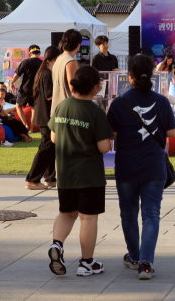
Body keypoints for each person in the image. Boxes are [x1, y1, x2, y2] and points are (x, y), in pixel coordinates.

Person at [107, 55, 175, 280]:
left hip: (127, 166)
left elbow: (112, 136)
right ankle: (146, 264)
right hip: (154, 166)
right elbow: (171, 133)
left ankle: (135, 256)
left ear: (129, 77)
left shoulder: (118, 102)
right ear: (153, 75)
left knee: (128, 214)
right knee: (151, 214)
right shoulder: (162, 101)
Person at [47, 65, 114, 277]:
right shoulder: (96, 112)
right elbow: (104, 147)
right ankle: (86, 263)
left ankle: (57, 245)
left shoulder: (62, 106)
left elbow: (54, 138)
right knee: (88, 218)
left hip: (65, 173)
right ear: (95, 87)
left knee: (66, 213)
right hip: (89, 175)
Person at [25, 46, 60, 190]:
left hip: (43, 114)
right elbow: (49, 95)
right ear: (56, 58)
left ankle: (50, 177)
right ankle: (32, 179)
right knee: (46, 146)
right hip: (46, 115)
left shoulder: (43, 72)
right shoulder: (47, 73)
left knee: (51, 146)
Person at [11, 44, 42, 132]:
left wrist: (12, 81)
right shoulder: (42, 63)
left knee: (18, 106)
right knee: (34, 109)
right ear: (39, 53)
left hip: (25, 89)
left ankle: (25, 125)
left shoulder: (25, 62)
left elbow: (17, 74)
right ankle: (31, 129)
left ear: (30, 53)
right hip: (37, 89)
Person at [51, 30, 82, 116]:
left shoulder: (58, 59)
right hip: (68, 111)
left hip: (56, 109)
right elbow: (73, 88)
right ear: (78, 45)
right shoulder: (71, 61)